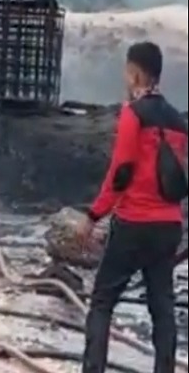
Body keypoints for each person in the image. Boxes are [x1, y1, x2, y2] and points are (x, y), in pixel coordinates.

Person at [79, 42, 187, 373]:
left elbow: (121, 172)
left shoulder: (133, 113)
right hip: (169, 226)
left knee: (102, 302)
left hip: (133, 223)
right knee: (162, 306)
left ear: (136, 74)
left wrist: (93, 215)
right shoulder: (178, 121)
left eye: (127, 72)